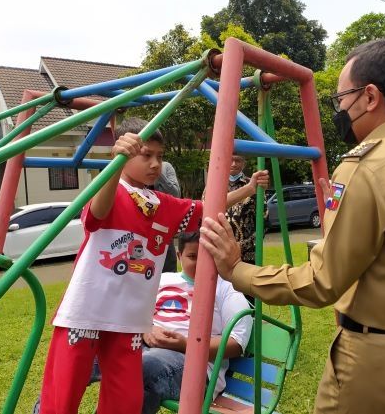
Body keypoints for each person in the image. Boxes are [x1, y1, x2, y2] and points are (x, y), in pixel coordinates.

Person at [199, 39, 385, 414]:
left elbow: (322, 282)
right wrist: (339, 222)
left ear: (370, 96)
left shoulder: (367, 167)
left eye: (342, 98)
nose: (339, 109)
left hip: (380, 362)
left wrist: (236, 270)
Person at [36, 117, 268, 414]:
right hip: (87, 313)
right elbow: (96, 214)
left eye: (159, 156)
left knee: (127, 400)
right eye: (146, 155)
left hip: (129, 320)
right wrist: (116, 165)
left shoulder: (159, 203)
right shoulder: (110, 190)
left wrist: (248, 189)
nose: (155, 164)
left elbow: (206, 208)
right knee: (63, 393)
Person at [141, 231, 252, 414]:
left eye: (208, 257)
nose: (201, 264)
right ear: (179, 256)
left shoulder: (226, 289)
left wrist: (187, 345)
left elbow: (237, 343)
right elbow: (136, 314)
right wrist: (147, 329)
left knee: (141, 368)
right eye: (193, 256)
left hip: (194, 365)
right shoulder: (162, 280)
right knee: (102, 353)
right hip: (147, 347)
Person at [154, 161, 181, 273]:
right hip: (140, 228)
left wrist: (159, 174)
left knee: (168, 269)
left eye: (159, 155)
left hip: (162, 228)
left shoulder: (166, 167)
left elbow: (176, 193)